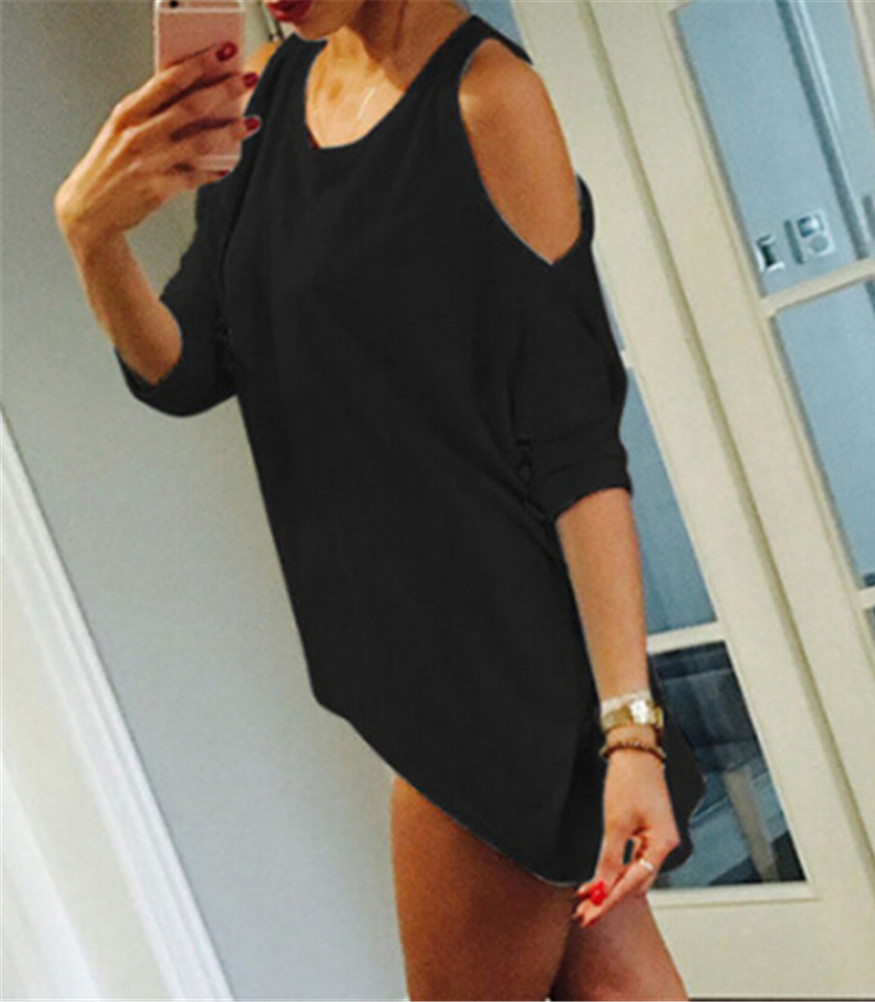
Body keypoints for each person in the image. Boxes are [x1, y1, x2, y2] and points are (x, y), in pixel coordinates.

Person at [54, 1, 695, 997]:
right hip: (410, 654)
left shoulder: (490, 100)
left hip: (492, 669)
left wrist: (631, 733)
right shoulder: (272, 93)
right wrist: (94, 238)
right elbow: (184, 367)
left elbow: (576, 446)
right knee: (614, 986)